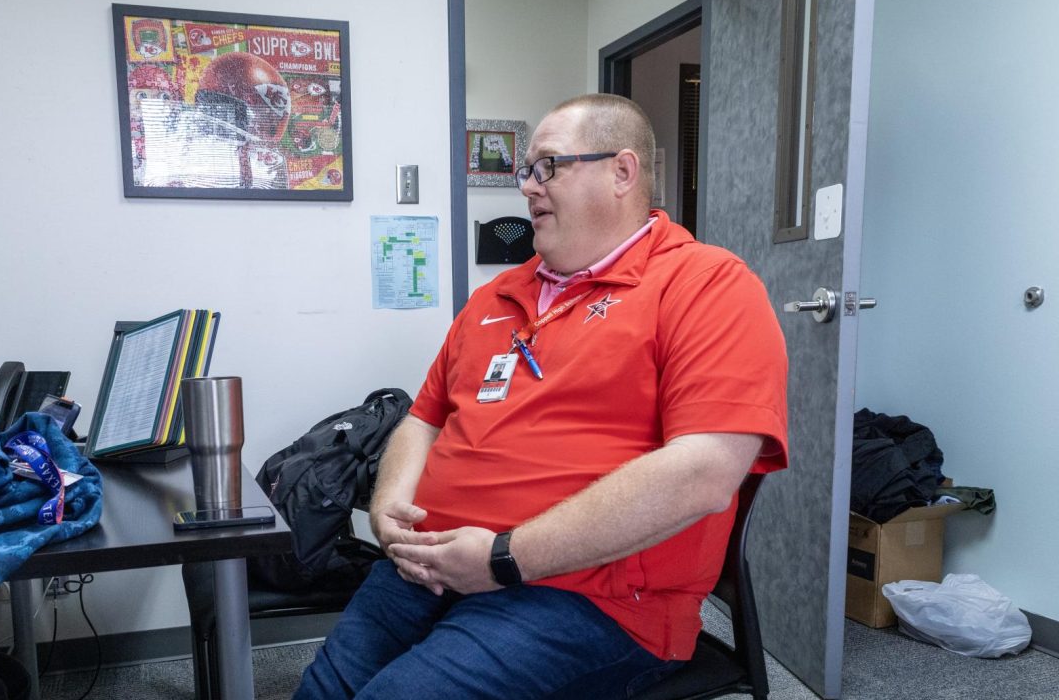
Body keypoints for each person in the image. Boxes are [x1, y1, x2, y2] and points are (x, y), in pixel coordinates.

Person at [295, 93, 788, 699]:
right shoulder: (496, 296)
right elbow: (423, 420)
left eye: (547, 166)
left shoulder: (707, 285)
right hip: (431, 565)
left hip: (587, 598)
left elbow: (707, 471)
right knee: (318, 693)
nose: (527, 187)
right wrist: (390, 504)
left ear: (622, 172)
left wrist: (504, 558)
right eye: (525, 170)